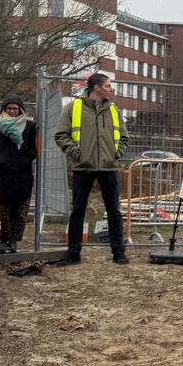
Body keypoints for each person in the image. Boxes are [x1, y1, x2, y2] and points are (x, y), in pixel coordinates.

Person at [53, 74, 129, 266]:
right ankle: (74, 253)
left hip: (108, 166)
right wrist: (76, 153)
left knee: (114, 211)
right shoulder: (73, 108)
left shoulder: (114, 110)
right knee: (78, 211)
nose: (111, 89)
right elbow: (61, 134)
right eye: (108, 86)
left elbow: (124, 137)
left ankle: (119, 252)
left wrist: (115, 154)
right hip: (83, 167)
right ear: (96, 88)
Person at [0, 94, 38, 255]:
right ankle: (4, 239)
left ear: (21, 109)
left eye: (15, 108)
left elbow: (35, 146)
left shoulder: (30, 126)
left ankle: (14, 240)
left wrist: (29, 156)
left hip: (23, 173)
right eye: (9, 108)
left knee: (20, 211)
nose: (12, 111)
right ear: (4, 109)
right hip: (1, 173)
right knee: (2, 210)